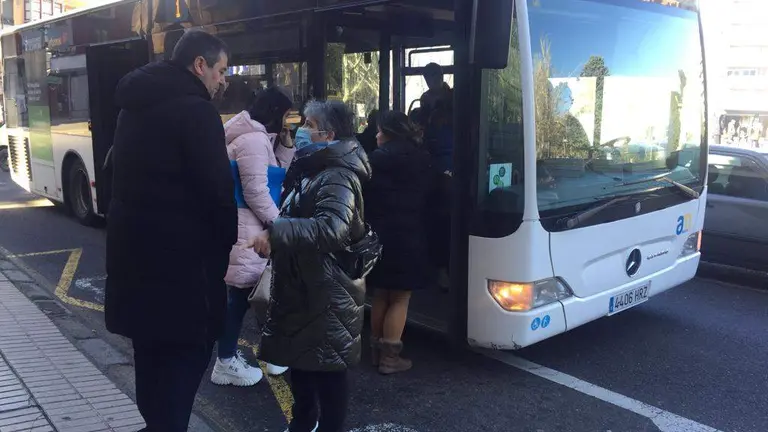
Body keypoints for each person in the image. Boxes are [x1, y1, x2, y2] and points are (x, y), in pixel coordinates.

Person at [105, 30, 235, 432]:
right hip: (182, 277)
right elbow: (218, 197)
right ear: (200, 65)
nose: (222, 80)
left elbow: (115, 176)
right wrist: (220, 252)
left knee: (150, 362)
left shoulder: (133, 108)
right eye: (220, 70)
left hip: (134, 267)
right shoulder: (197, 113)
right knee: (182, 370)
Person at [248, 100, 372, 432]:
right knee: (302, 362)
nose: (302, 129)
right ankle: (302, 424)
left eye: (309, 124)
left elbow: (333, 228)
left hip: (327, 292)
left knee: (329, 371)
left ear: (328, 134)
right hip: (308, 287)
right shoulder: (315, 167)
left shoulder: (338, 175)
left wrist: (278, 234)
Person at [211, 87, 296, 387]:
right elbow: (257, 191)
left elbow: (275, 176)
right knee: (243, 296)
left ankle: (261, 356)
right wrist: (280, 225)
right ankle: (226, 361)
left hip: (250, 224)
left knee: (256, 294)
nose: (290, 122)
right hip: (248, 226)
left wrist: (285, 147)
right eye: (286, 115)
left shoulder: (259, 138)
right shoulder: (254, 140)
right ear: (275, 113)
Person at [364, 111, 432, 374]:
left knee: (382, 292)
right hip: (409, 235)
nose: (376, 135)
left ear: (390, 133)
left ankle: (375, 351)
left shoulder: (374, 160)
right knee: (401, 297)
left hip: (379, 235)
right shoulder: (422, 158)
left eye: (380, 131)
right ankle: (390, 358)